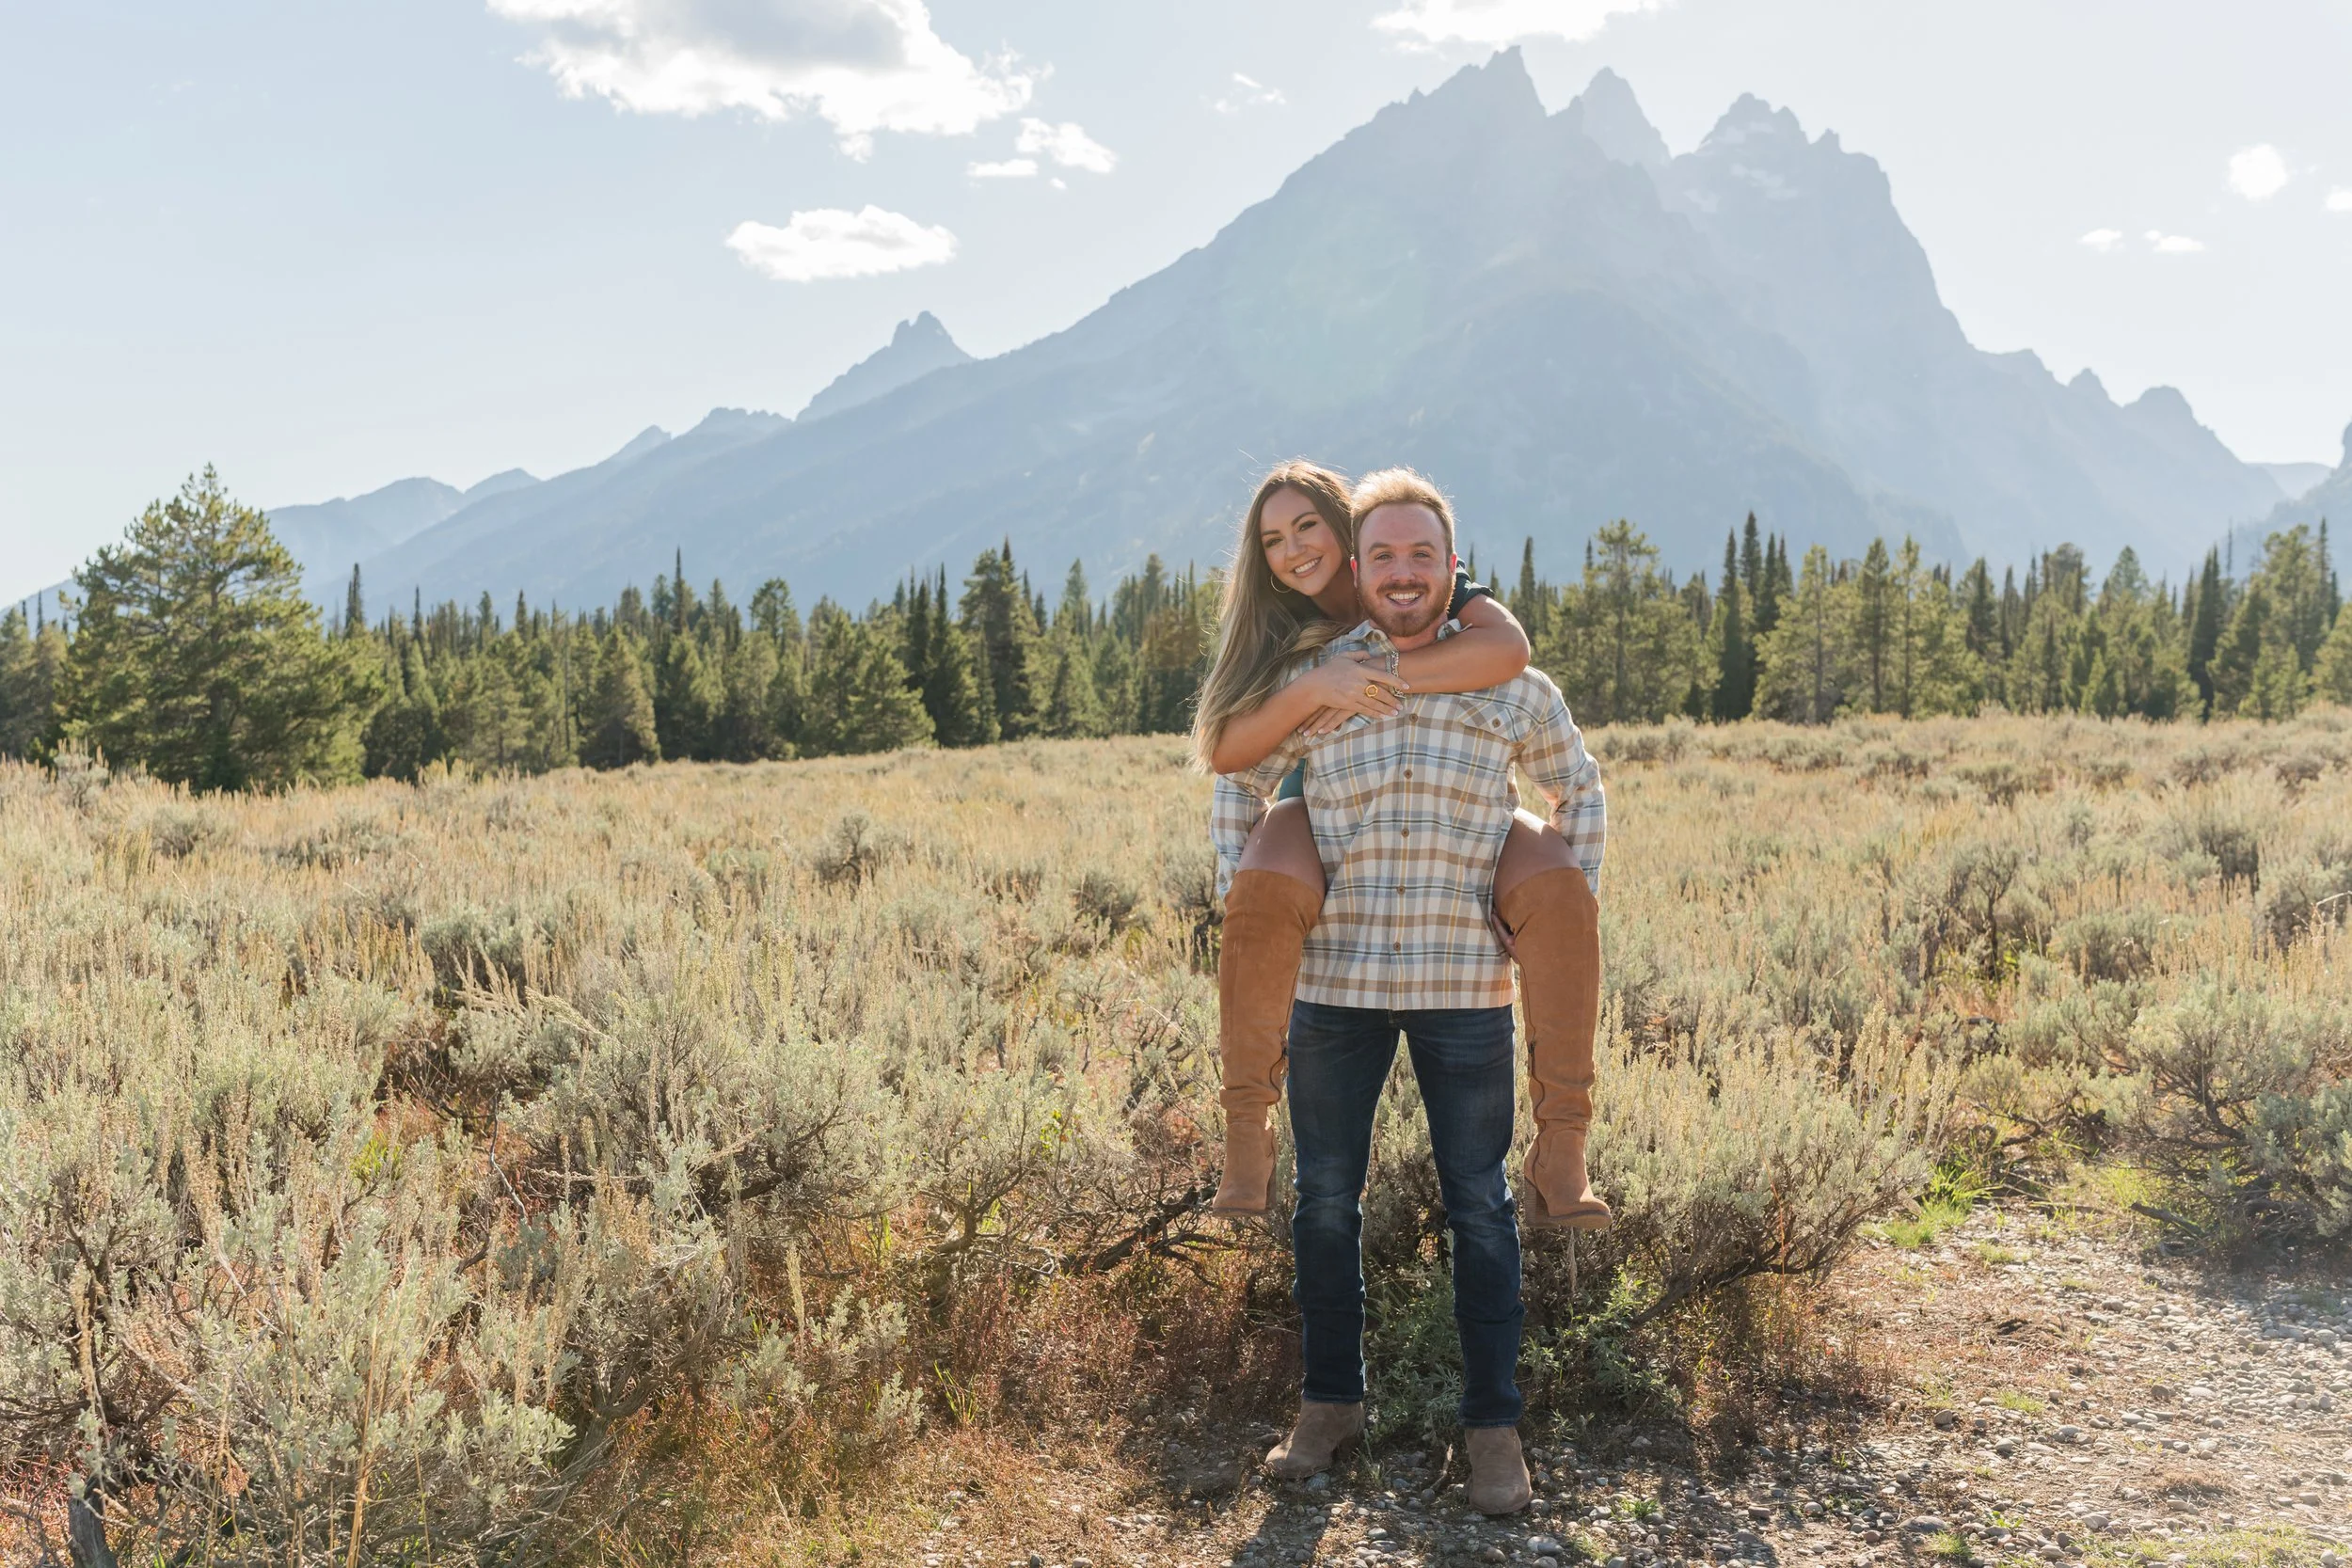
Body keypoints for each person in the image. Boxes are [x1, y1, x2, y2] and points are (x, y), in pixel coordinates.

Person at [1209, 469, 1607, 1510]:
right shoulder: (1321, 672)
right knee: (1324, 1203)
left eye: (1419, 554)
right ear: (1356, 563)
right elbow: (1231, 774)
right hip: (1333, 980)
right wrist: (1245, 892)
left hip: (1464, 983)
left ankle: (1493, 1428)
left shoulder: (1510, 685)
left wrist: (1556, 911)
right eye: (1380, 554)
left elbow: (1580, 784)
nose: (1399, 571)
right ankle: (1328, 1404)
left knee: (1479, 1206)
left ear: (1450, 563)